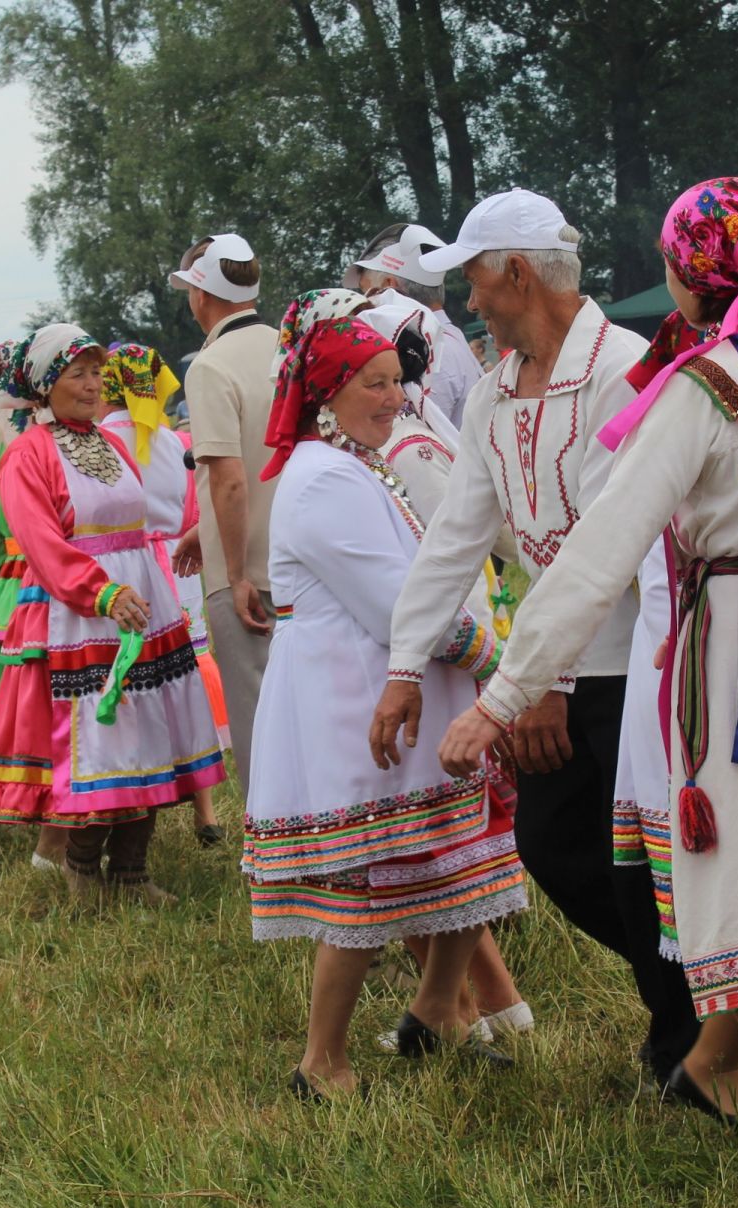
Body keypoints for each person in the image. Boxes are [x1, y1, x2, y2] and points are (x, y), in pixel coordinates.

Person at [427, 179, 738, 1203]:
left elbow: (598, 552)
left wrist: (501, 694)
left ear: (696, 267)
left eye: (674, 259)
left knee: (725, 911)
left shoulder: (706, 381)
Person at [370, 188, 709, 1097]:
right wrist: (406, 666)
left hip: (640, 662)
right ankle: (691, 1018)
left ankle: (692, 1041)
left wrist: (544, 682)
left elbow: (618, 541)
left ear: (518, 273)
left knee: (644, 858)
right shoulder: (490, 392)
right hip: (555, 666)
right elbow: (457, 537)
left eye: (477, 280)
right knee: (558, 847)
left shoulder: (626, 369)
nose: (470, 302)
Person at [247, 313, 528, 1098]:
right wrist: (504, 668)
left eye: (397, 380)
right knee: (366, 885)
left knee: (462, 858)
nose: (395, 397)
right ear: (325, 391)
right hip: (354, 700)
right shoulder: (322, 477)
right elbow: (399, 606)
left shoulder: (354, 465)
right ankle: (321, 1062)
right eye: (373, 383)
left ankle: (436, 1011)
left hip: (399, 691)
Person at [0, 324, 226, 902]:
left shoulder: (104, 441)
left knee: (150, 732)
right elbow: (42, 543)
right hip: (81, 612)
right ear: (44, 382)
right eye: (77, 373)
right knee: (106, 739)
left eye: (95, 372)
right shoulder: (28, 453)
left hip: (141, 601)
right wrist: (100, 592)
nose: (91, 384)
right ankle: (83, 867)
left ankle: (132, 871)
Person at [95, 342, 227, 846]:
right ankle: (205, 812)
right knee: (182, 679)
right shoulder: (176, 442)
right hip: (179, 567)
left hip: (125, 566)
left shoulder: (99, 440)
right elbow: (191, 510)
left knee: (125, 677)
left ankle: (127, 799)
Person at [174, 233, 281, 792]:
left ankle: (272, 843)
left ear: (199, 293)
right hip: (301, 557)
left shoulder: (210, 366)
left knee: (256, 712)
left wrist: (235, 573)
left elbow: (232, 477)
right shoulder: (287, 345)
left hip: (248, 569)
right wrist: (203, 526)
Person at [353, 222, 484, 425]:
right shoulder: (446, 339)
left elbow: (416, 440)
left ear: (389, 287)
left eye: (368, 293)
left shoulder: (432, 350)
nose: (366, 307)